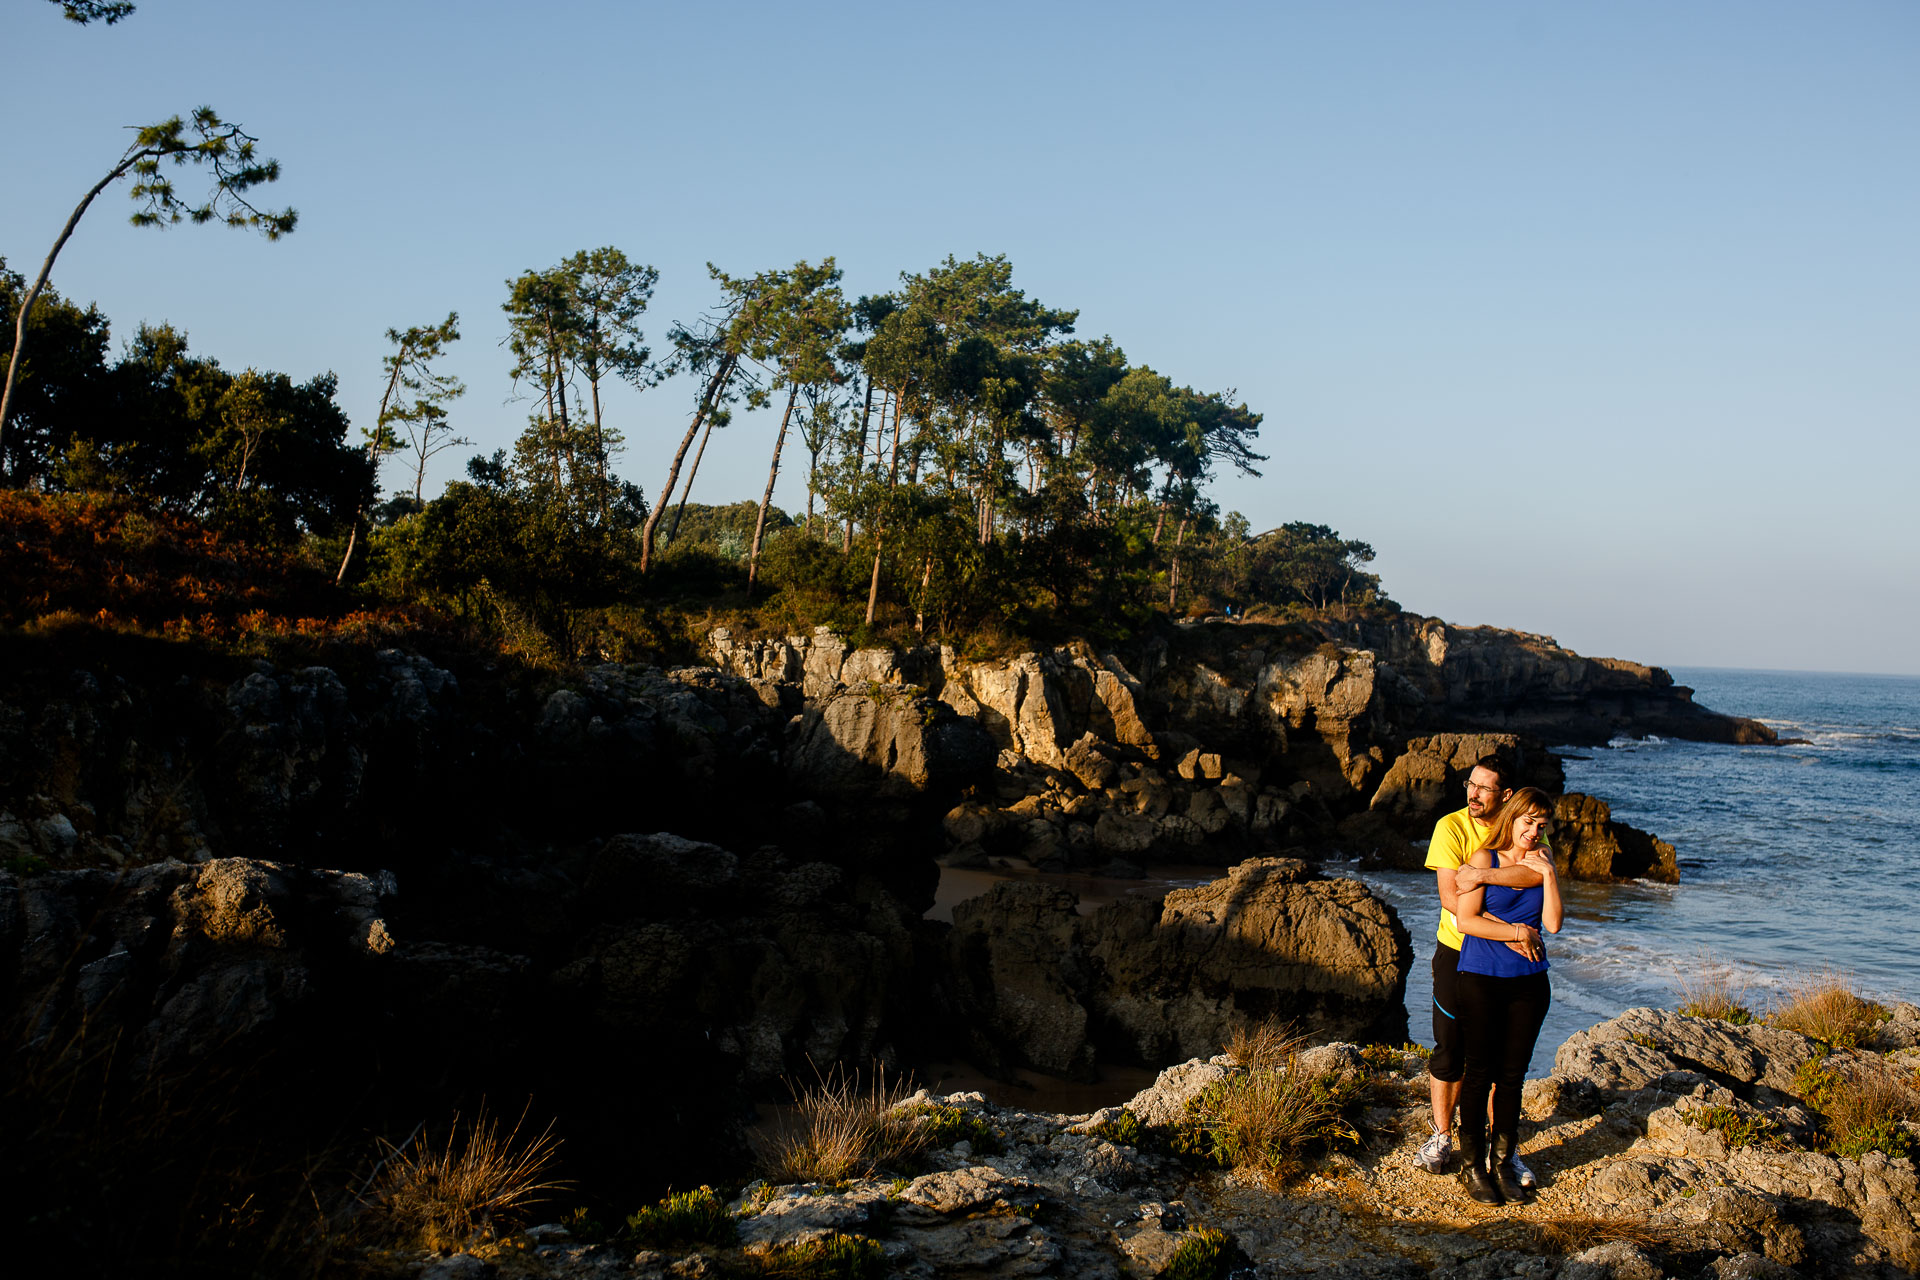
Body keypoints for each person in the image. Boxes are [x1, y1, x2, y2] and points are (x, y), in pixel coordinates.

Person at [1415, 757, 1546, 1181]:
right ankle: (1441, 1136)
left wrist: (1484, 875)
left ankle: (1498, 1148)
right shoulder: (1451, 828)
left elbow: (1536, 874)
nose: (1473, 794)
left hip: (1507, 964)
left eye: (1484, 788)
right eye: (1471, 785)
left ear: (1504, 796)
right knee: (1450, 1048)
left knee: (1498, 1060)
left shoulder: (1522, 830)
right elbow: (1454, 901)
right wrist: (1513, 930)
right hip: (1458, 952)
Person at [1452, 787, 1562, 1204]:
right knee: (1479, 1074)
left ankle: (1503, 1164)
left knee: (1512, 1078)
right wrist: (1517, 931)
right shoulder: (1483, 859)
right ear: (1512, 817)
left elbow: (1552, 923)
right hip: (1481, 976)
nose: (1534, 831)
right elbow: (1466, 921)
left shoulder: (1542, 862)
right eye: (1528, 821)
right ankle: (1473, 1167)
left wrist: (1550, 874)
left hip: (1530, 982)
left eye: (1542, 824)